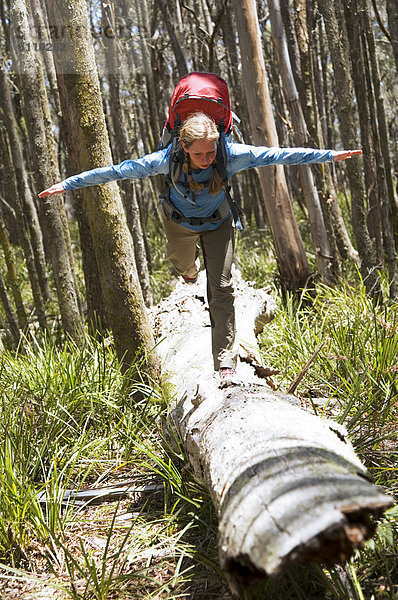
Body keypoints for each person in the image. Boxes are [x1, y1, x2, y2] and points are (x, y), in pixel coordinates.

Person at [39, 111, 361, 386]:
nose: (207, 159)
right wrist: (68, 183)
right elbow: (118, 171)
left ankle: (225, 365)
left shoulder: (230, 156)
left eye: (211, 152)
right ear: (184, 147)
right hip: (179, 223)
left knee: (222, 288)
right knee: (184, 266)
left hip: (218, 223)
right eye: (200, 154)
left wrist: (329, 155)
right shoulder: (166, 160)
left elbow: (277, 155)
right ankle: (190, 274)